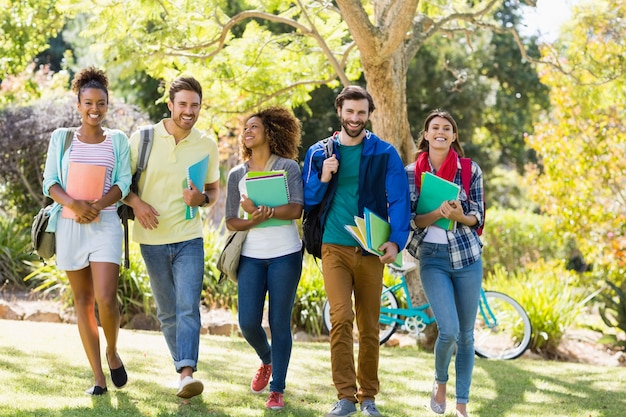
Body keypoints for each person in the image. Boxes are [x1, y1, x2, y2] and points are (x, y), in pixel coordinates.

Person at [301, 86, 411, 417]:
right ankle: (345, 397)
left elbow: (399, 199)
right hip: (333, 245)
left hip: (371, 250)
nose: (355, 118)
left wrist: (397, 241)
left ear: (368, 114)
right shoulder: (320, 151)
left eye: (361, 112)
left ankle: (369, 397)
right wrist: (324, 175)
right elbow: (307, 199)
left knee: (369, 324)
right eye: (349, 112)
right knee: (341, 317)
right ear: (340, 112)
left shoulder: (384, 153)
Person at [122, 76, 220, 399]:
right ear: (170, 105)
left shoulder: (207, 143)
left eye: (195, 105)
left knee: (188, 306)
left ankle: (186, 373)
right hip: (152, 240)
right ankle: (183, 371)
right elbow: (121, 184)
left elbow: (213, 190)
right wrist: (137, 204)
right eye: (183, 105)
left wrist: (201, 200)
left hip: (189, 237)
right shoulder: (144, 138)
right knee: (167, 311)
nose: (189, 111)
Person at [42, 67, 131, 395]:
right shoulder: (61, 138)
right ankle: (97, 377)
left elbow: (123, 182)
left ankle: (111, 350)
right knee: (83, 300)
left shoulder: (118, 140)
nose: (95, 109)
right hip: (69, 224)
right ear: (78, 104)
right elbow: (50, 181)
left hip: (105, 223)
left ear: (108, 105)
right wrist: (75, 204)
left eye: (101, 103)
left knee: (106, 298)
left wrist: (96, 203)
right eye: (89, 103)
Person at [405, 109, 485, 417]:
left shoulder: (469, 170)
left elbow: (478, 216)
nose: (440, 131)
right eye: (434, 127)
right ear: (425, 135)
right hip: (433, 259)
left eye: (447, 128)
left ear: (453, 136)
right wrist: (439, 214)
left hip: (467, 258)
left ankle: (461, 404)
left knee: (466, 335)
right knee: (448, 330)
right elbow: (412, 220)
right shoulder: (412, 172)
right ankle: (440, 382)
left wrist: (458, 216)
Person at [224, 107, 304, 410]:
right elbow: (232, 220)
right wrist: (254, 219)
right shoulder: (236, 175)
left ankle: (277, 388)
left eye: (254, 127)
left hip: (285, 253)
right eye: (246, 127)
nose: (248, 131)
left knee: (279, 322)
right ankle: (267, 358)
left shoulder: (288, 167)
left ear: (269, 132)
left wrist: (267, 211)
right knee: (247, 322)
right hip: (251, 256)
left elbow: (296, 209)